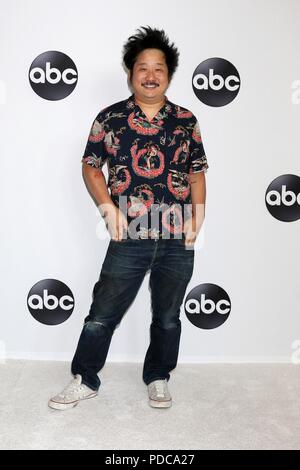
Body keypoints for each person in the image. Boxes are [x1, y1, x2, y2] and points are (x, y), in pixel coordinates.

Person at [48, 25, 209, 411]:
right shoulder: (111, 118)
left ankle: (158, 377)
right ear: (130, 73)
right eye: (142, 68)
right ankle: (84, 378)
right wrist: (109, 210)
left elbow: (197, 171)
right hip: (130, 233)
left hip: (176, 236)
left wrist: (197, 218)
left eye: (159, 68)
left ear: (169, 74)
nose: (150, 75)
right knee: (102, 314)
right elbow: (90, 167)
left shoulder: (186, 120)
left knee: (168, 317)